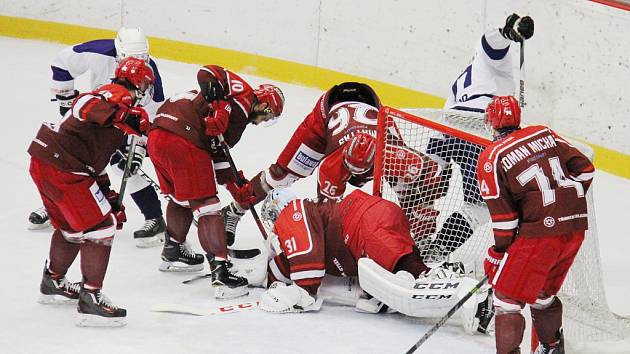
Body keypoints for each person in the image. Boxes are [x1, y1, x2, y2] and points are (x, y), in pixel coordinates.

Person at [254, 188, 494, 333]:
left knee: (415, 277)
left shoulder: (293, 212)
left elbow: (307, 273)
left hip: (361, 223)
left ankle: (468, 291)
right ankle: (467, 296)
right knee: (404, 284)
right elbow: (284, 271)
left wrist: (299, 292)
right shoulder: (309, 223)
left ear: (277, 211)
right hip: (367, 222)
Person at [28, 57, 155, 327]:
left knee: (71, 228)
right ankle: (91, 298)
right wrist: (123, 115)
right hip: (64, 168)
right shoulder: (116, 95)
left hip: (48, 161)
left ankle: (53, 280)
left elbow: (94, 157)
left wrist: (107, 193)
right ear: (140, 83)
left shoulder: (119, 105)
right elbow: (84, 104)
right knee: (102, 227)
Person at [146, 64, 285, 299]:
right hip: (183, 139)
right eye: (267, 116)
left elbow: (217, 154)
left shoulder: (236, 111)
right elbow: (208, 71)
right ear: (264, 105)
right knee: (207, 206)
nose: (262, 122)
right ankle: (221, 273)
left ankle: (173, 248)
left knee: (181, 198)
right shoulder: (243, 99)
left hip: (158, 136)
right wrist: (220, 108)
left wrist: (235, 184)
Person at [28, 27, 166, 248]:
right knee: (68, 161)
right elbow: (61, 63)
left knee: (124, 167)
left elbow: (153, 115)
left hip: (122, 122)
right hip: (92, 116)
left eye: (142, 57)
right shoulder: (98, 52)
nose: (138, 62)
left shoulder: (149, 73)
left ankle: (154, 218)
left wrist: (138, 146)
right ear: (118, 52)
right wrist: (65, 101)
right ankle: (60, 206)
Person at [477, 96, 595, 353]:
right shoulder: (544, 132)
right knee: (542, 293)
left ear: (491, 122)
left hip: (541, 235)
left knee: (506, 299)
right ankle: (552, 348)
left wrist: (498, 254)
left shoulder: (491, 158)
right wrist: (563, 204)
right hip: (575, 226)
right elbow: (586, 170)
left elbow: (505, 221)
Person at [423, 13, 535, 260]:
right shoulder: (490, 61)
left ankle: (410, 243)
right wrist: (508, 32)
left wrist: (433, 164)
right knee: (479, 207)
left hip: (449, 128)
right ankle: (437, 251)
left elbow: (444, 119)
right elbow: (490, 43)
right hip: (481, 130)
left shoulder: (465, 77)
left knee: (422, 185)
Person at [221, 82, 382, 244]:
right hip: (321, 122)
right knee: (279, 176)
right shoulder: (332, 166)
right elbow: (327, 209)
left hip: (349, 129)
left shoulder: (389, 140)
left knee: (281, 178)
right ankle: (233, 211)